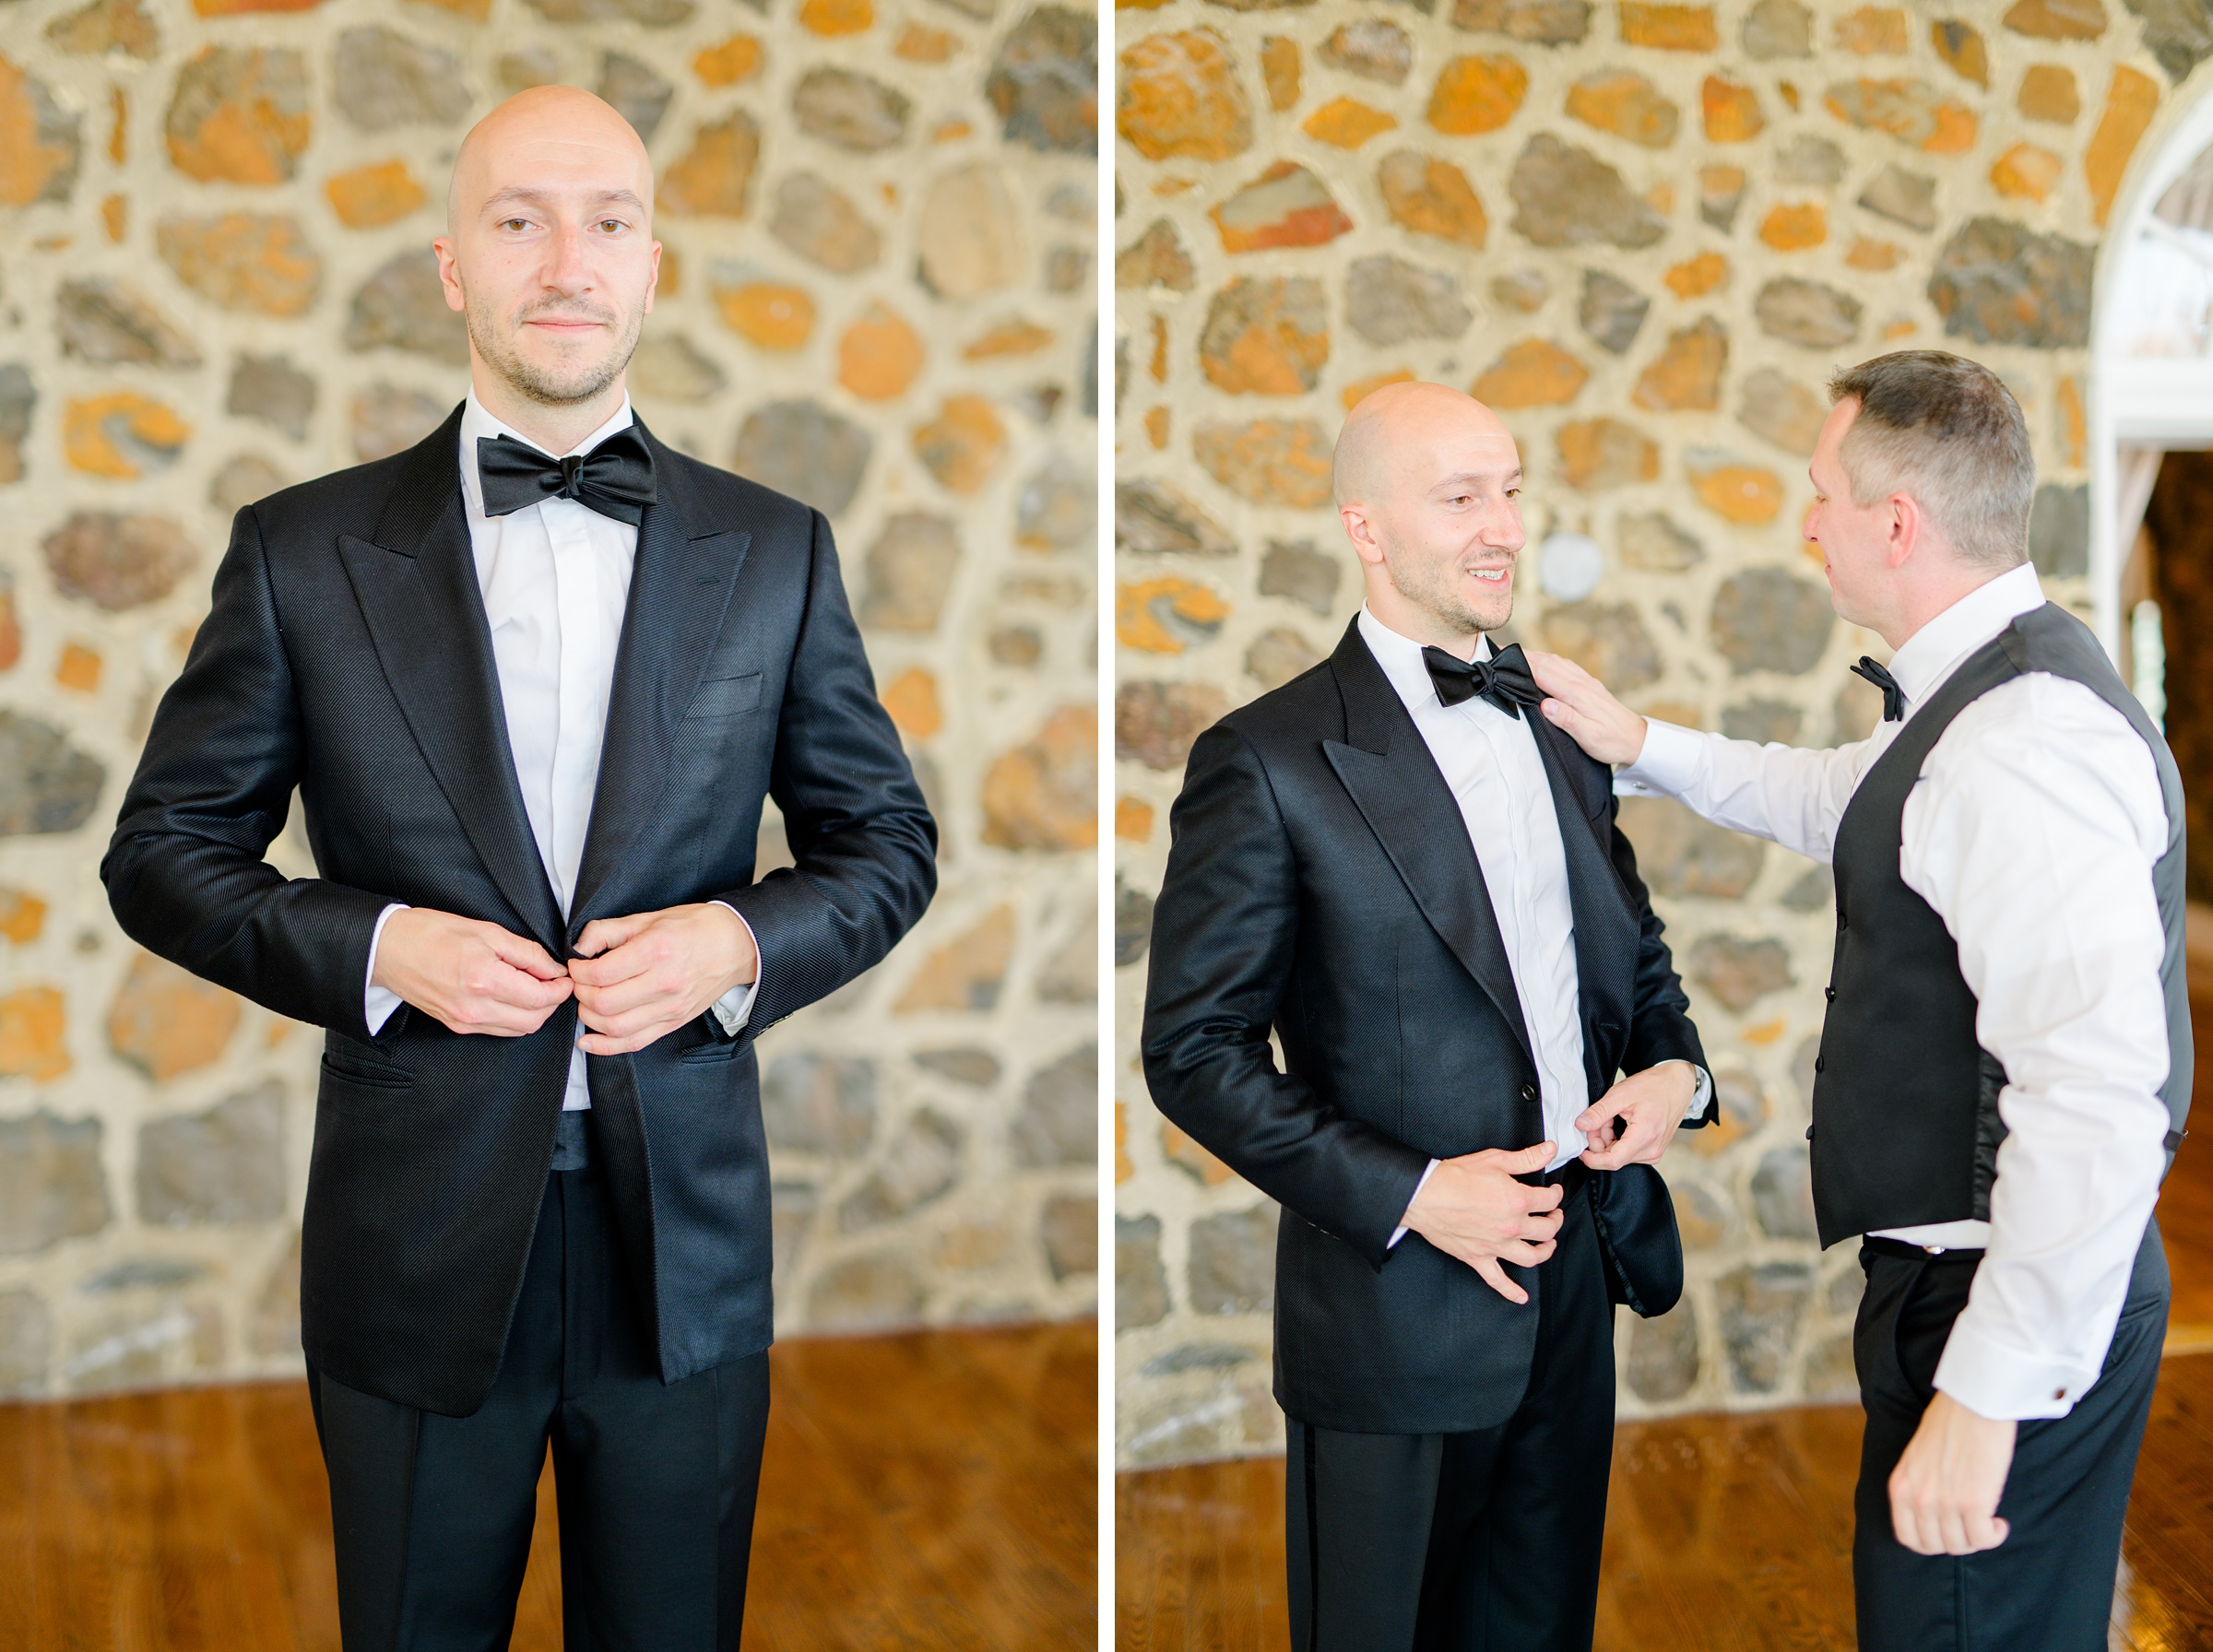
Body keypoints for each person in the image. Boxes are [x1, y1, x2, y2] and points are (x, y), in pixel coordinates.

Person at [101, 87, 936, 1647]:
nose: (568, 259)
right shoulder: (300, 551)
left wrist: (734, 949)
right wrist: (374, 947)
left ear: (652, 263)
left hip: (678, 1238)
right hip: (412, 1242)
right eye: (519, 220)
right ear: (451, 271)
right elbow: (161, 854)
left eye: (608, 220)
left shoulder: (776, 549)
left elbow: (886, 844)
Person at [1533, 349, 2187, 1652]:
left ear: (1898, 523)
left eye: (1821, 492)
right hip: (1976, 1286)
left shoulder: (2023, 745)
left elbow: (2101, 1100)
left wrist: (1988, 1393)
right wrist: (1640, 744)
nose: (1806, 522)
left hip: (2008, 1296)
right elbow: (1845, 801)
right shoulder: (1974, 704)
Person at [1142, 381, 1714, 1652]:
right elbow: (1193, 1053)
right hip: (1395, 1307)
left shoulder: (1563, 722)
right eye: (1460, 497)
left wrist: (1679, 1070)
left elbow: (1628, 951)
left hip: (1576, 1280)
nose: (1499, 523)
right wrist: (1414, 1194)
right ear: (1368, 527)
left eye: (1509, 489)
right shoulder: (1267, 758)